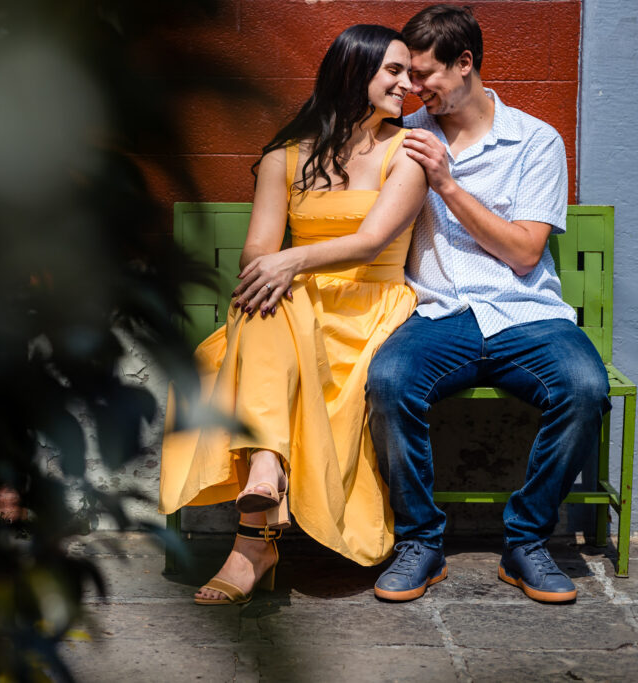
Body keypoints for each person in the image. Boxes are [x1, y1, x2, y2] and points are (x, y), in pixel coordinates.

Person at [158, 24, 427, 605]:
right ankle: (265, 477)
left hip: (368, 307)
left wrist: (290, 261)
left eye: (410, 72)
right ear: (354, 73)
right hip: (290, 306)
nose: (409, 84)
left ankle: (253, 536)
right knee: (266, 305)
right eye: (395, 71)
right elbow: (259, 250)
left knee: (270, 302)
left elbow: (372, 241)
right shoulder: (287, 155)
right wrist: (278, 268)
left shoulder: (409, 152)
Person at [367, 5, 610, 604]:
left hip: (526, 315)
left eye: (424, 75)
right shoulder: (404, 136)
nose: (411, 87)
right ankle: (420, 542)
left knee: (583, 390)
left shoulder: (535, 141)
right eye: (405, 74)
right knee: (390, 382)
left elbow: (526, 254)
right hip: (437, 315)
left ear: (466, 63)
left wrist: (448, 184)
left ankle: (526, 542)